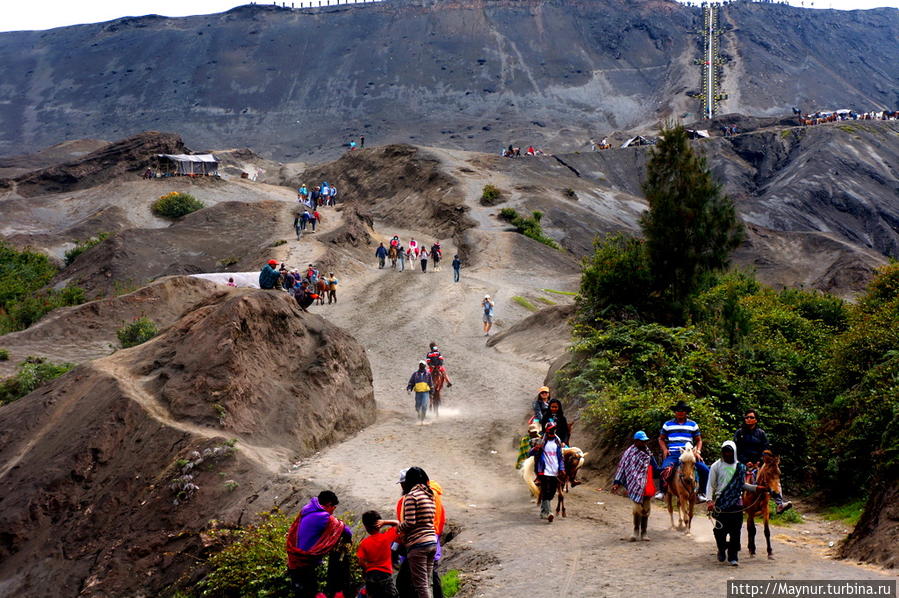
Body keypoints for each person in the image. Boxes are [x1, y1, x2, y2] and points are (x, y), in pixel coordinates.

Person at [379, 467, 439, 598]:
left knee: (421, 585)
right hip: (432, 541)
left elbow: (410, 523)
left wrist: (398, 528)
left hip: (418, 544)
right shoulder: (430, 495)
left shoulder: (411, 496)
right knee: (428, 583)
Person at [285, 490, 352, 598]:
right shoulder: (324, 516)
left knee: (302, 591)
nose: (333, 511)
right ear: (329, 505)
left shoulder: (307, 509)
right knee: (312, 591)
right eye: (334, 507)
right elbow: (344, 529)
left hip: (293, 558)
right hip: (304, 562)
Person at [706, 441, 762, 566]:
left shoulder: (740, 467)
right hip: (721, 504)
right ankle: (721, 548)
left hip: (736, 503)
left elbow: (742, 485)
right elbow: (710, 484)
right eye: (725, 452)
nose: (727, 454)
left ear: (734, 452)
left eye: (730, 452)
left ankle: (733, 556)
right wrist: (709, 501)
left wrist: (756, 488)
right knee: (719, 531)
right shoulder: (716, 466)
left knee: (735, 532)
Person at [734, 410, 791, 513]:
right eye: (747, 417)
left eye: (751, 417)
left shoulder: (761, 433)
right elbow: (736, 449)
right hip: (742, 462)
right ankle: (736, 502)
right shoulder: (739, 433)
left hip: (759, 462)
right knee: (735, 477)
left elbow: (765, 448)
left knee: (773, 475)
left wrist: (759, 461)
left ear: (756, 420)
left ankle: (779, 503)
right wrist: (746, 461)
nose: (748, 419)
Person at [612, 431, 660, 541]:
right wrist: (617, 482)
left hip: (646, 483)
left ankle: (644, 532)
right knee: (636, 509)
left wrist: (662, 472)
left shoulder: (648, 453)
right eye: (641, 441)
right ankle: (635, 531)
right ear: (636, 441)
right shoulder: (629, 453)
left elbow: (655, 468)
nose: (644, 443)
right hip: (634, 483)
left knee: (646, 508)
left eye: (645, 441)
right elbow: (622, 468)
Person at [657, 400, 709, 501]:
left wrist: (697, 451)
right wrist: (664, 449)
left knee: (705, 470)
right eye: (677, 410)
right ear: (675, 412)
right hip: (674, 453)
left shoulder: (693, 424)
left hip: (689, 454)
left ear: (686, 412)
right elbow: (661, 438)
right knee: (664, 469)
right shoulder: (667, 424)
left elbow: (699, 440)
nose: (680, 412)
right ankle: (662, 491)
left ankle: (701, 493)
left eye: (682, 410)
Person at [357, 511, 399, 598]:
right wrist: (384, 522)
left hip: (371, 574)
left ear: (366, 527)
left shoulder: (364, 543)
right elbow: (398, 524)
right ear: (379, 524)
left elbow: (361, 562)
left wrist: (367, 569)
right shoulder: (386, 537)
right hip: (385, 574)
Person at [530, 421, 565, 522]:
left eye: (554, 429)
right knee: (545, 491)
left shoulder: (557, 441)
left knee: (552, 492)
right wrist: (536, 448)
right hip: (543, 470)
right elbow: (530, 453)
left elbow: (560, 456)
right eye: (551, 429)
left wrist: (561, 468)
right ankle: (549, 512)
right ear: (547, 430)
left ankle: (542, 512)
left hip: (555, 471)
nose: (553, 431)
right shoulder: (541, 440)